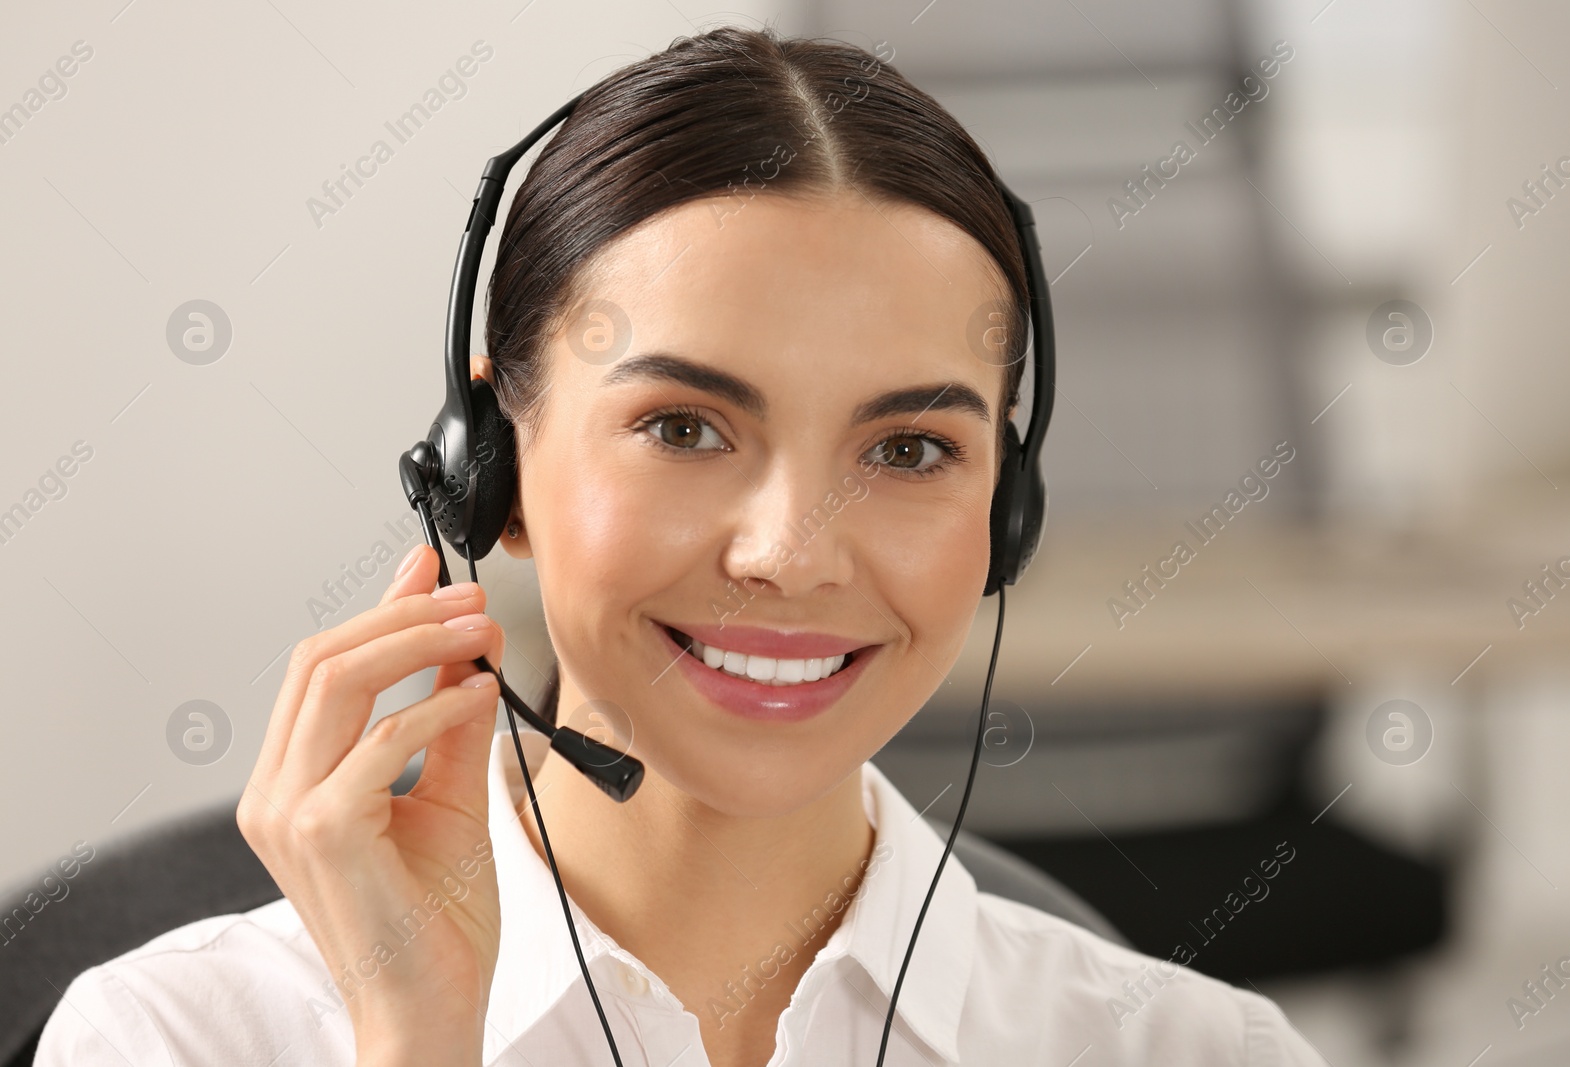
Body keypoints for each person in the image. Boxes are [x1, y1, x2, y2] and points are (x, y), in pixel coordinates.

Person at [36, 24, 1323, 1067]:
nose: (789, 553)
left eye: (909, 449)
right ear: (493, 474)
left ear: (1008, 505)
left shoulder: (1188, 1049)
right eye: (684, 426)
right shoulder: (180, 1040)